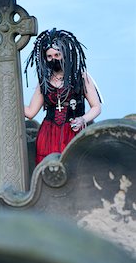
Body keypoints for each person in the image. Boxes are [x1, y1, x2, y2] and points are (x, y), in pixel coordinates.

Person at [24, 28, 102, 165]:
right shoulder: (44, 82)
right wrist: (6, 100)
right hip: (48, 135)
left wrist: (83, 119)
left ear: (65, 54)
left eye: (57, 55)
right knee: (49, 172)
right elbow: (30, 112)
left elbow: (96, 107)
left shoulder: (81, 77)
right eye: (49, 56)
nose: (53, 59)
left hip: (74, 132)